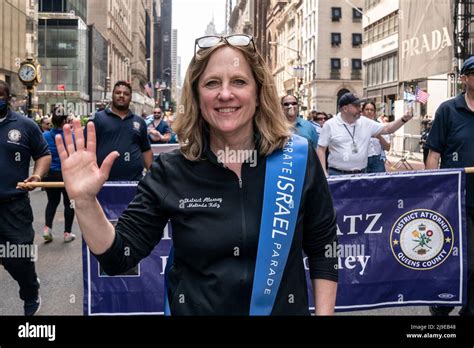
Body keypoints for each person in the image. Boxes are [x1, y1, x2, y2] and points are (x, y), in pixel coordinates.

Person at [56, 34, 338, 315]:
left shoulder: (299, 160)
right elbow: (119, 257)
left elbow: (323, 246)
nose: (225, 94)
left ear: (258, 92)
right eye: (212, 83)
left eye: (238, 81)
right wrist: (84, 201)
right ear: (196, 95)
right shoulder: (171, 170)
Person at [425, 56, 474, 316]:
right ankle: (441, 305)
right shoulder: (448, 110)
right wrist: (433, 193)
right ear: (464, 79)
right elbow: (433, 154)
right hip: (456, 200)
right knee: (459, 260)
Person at [0, 80, 52, 315]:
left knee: (18, 254)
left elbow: (43, 154)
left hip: (14, 205)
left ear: (8, 98)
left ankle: (30, 290)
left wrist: (37, 175)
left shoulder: (25, 125)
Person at [317, 92, 413, 176]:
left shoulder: (365, 122)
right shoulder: (330, 125)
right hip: (337, 174)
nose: (360, 109)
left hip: (361, 174)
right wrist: (323, 173)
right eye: (356, 106)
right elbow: (321, 149)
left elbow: (388, 129)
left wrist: (403, 119)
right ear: (345, 108)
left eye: (359, 106)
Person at [88, 80, 153, 181]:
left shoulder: (140, 122)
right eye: (118, 93)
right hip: (103, 184)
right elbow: (87, 149)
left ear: (130, 97)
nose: (121, 96)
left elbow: (146, 151)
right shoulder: (97, 119)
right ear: (112, 95)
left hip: (134, 184)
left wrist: (153, 177)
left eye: (126, 94)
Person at [42, 105, 76, 243]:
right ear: (65, 120)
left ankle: (47, 229)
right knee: (69, 203)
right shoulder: (71, 136)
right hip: (66, 174)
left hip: (50, 174)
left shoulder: (44, 135)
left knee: (52, 201)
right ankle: (67, 233)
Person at [362, 101, 390, 173]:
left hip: (377, 160)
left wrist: (379, 136)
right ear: (362, 112)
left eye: (371, 110)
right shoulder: (357, 126)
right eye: (367, 109)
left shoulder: (380, 126)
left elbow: (387, 147)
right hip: (362, 160)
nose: (369, 111)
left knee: (380, 183)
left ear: (374, 112)